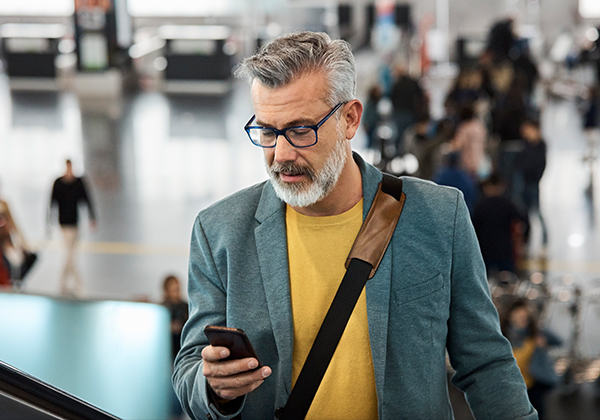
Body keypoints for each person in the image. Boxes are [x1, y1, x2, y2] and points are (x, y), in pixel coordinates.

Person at [172, 31, 537, 420]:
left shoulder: (437, 216)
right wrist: (214, 388)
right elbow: (188, 371)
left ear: (349, 119)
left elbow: (485, 362)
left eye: (299, 131)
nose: (281, 154)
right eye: (266, 131)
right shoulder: (220, 232)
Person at [500, 299, 562, 420]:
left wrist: (542, 334)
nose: (522, 320)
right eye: (519, 316)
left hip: (531, 385)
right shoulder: (502, 335)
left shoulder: (535, 333)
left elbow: (558, 341)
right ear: (510, 315)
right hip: (509, 387)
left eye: (525, 317)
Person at [48, 159, 96, 296]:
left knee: (71, 254)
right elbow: (51, 202)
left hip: (75, 222)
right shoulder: (58, 183)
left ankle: (64, 283)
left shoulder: (78, 182)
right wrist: (48, 222)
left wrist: (92, 218)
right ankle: (76, 284)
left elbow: (87, 200)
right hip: (63, 223)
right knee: (70, 254)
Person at [472, 173, 529, 275]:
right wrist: (524, 240)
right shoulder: (508, 205)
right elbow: (524, 221)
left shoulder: (480, 206)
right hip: (504, 251)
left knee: (484, 281)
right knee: (507, 282)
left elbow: (472, 229)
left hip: (484, 251)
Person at [514, 118, 548, 252]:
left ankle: (545, 239)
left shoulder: (540, 146)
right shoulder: (524, 145)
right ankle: (526, 241)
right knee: (524, 214)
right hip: (523, 183)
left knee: (537, 212)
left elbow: (539, 165)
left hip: (533, 184)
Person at [162, 274, 189, 360]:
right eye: (173, 290)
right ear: (166, 290)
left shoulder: (185, 307)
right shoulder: (162, 308)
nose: (176, 293)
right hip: (167, 349)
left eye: (177, 289)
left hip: (182, 348)